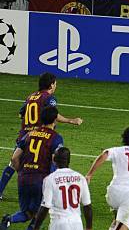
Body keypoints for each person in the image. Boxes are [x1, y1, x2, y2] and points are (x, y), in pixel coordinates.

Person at [0, 72, 82, 201]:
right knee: (50, 161)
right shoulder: (49, 98)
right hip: (41, 135)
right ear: (51, 85)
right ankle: (52, 194)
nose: (55, 86)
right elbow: (53, 114)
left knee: (13, 162)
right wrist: (71, 120)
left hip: (25, 135)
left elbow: (21, 114)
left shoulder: (31, 96)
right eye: (55, 83)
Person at [0, 106, 64, 230]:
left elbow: (14, 158)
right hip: (41, 181)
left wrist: (21, 172)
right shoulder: (56, 137)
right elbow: (56, 160)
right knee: (37, 216)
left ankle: (9, 220)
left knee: (27, 213)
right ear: (55, 120)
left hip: (24, 178)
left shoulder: (29, 134)